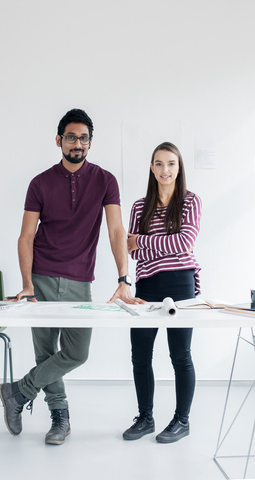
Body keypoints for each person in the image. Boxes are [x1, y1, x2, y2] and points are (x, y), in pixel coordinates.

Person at [0, 108, 140, 445]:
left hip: (79, 280)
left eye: (84, 138)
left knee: (77, 353)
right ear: (59, 140)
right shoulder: (40, 183)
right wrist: (28, 284)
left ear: (91, 142)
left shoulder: (105, 181)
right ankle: (60, 418)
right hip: (42, 275)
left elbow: (117, 230)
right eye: (71, 137)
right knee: (45, 354)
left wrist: (124, 278)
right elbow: (26, 237)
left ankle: (17, 392)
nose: (78, 143)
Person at [122, 141, 202, 444]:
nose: (164, 169)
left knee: (180, 355)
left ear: (178, 167)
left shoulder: (190, 201)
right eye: (158, 163)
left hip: (181, 283)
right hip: (147, 285)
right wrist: (144, 243)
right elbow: (132, 252)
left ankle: (182, 420)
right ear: (151, 168)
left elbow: (184, 243)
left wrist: (143, 240)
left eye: (170, 163)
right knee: (140, 356)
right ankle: (145, 418)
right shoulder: (139, 206)